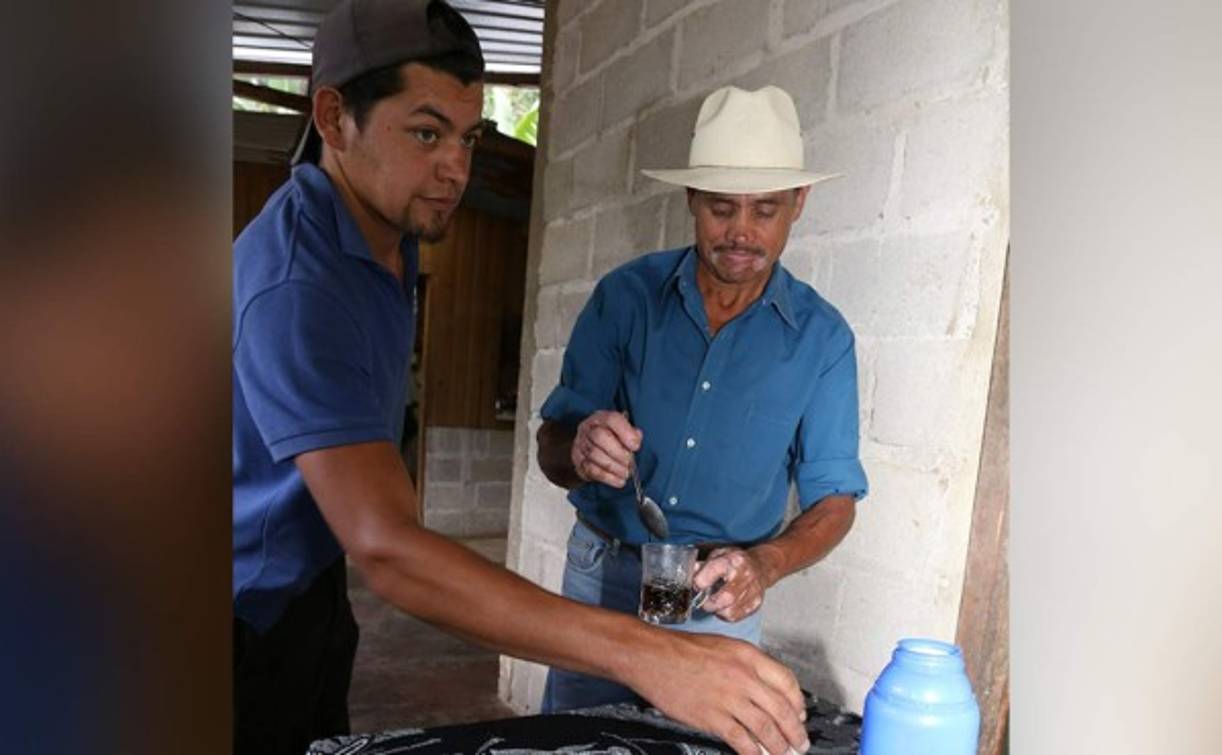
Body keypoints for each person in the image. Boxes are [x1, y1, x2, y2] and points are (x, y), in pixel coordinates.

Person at [231, 3, 810, 755]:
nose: (457, 169)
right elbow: (389, 546)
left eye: (467, 138)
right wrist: (649, 651)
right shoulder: (297, 284)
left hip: (307, 582)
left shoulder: (390, 236)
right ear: (335, 116)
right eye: (425, 132)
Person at [535, 85, 870, 712]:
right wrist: (577, 447)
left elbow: (835, 501)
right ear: (691, 198)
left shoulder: (823, 341)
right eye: (721, 208)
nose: (740, 233)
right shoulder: (624, 298)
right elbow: (550, 448)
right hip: (601, 577)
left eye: (765, 211)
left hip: (719, 599)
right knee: (569, 747)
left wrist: (763, 567)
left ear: (800, 202)